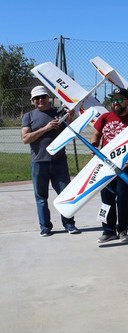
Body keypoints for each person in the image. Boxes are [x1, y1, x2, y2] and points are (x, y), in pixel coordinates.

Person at [21, 85, 79, 236]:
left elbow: (70, 131)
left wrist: (70, 117)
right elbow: (26, 139)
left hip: (59, 161)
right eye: (37, 98)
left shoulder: (58, 113)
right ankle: (45, 228)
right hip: (39, 162)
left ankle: (69, 224)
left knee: (65, 195)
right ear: (33, 101)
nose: (40, 100)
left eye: (43, 97)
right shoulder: (28, 116)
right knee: (41, 197)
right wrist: (45, 128)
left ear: (48, 98)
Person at [91, 87, 128, 243]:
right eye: (113, 99)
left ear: (127, 101)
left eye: (119, 99)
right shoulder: (105, 117)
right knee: (107, 199)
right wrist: (94, 145)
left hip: (125, 166)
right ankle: (108, 231)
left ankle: (123, 230)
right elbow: (97, 134)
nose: (115, 103)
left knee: (124, 200)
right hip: (106, 166)